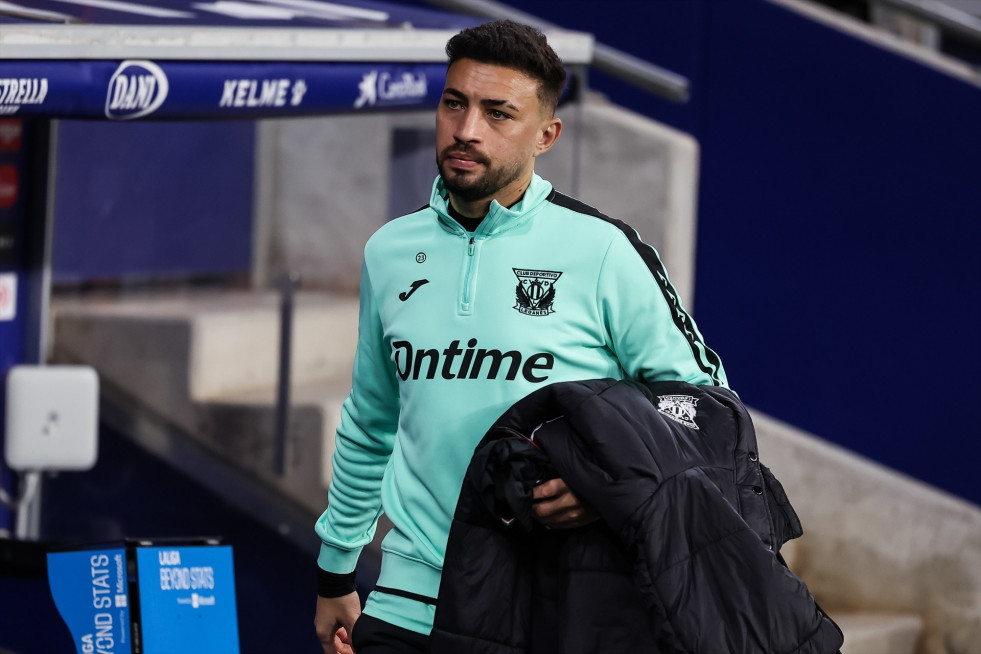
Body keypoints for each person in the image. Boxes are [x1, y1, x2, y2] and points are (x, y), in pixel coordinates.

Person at [314, 19, 727, 654]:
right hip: (407, 600)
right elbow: (372, 421)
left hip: (546, 607)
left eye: (498, 113)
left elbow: (704, 404)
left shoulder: (603, 250)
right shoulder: (389, 250)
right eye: (455, 103)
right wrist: (336, 570)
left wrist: (605, 483)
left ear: (546, 135)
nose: (467, 129)